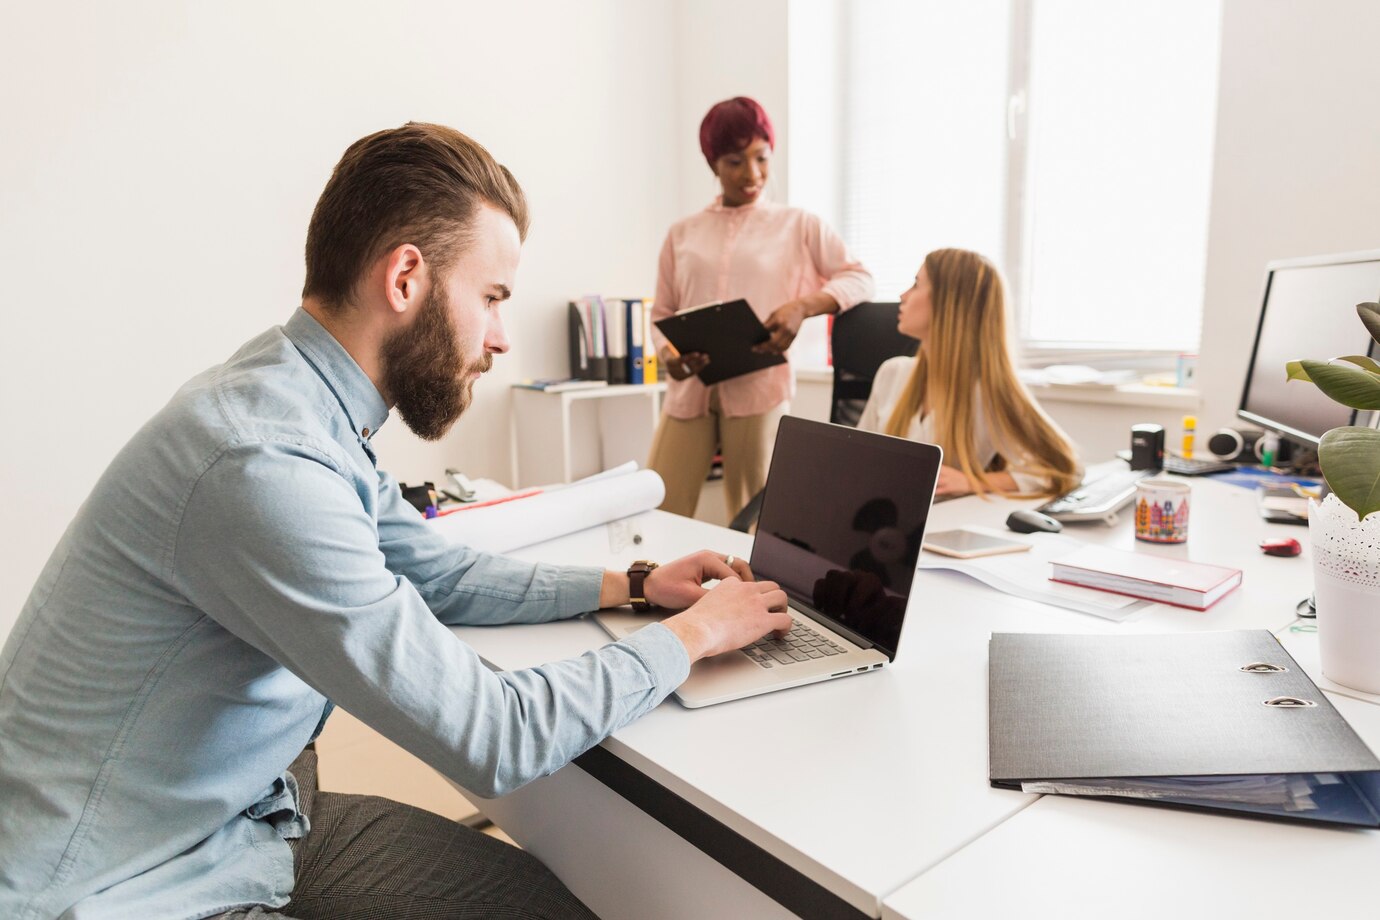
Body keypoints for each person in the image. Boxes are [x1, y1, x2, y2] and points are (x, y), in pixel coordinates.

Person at [0, 122, 794, 920]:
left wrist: (634, 584)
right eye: (490, 298)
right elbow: (495, 735)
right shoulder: (262, 461)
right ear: (407, 277)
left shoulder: (299, 403)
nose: (500, 338)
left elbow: (440, 572)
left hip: (245, 819)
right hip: (126, 884)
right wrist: (696, 636)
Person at [648, 96, 873, 520]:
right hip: (689, 389)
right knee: (657, 508)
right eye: (734, 161)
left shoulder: (800, 225)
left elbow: (859, 278)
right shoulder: (682, 234)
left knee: (755, 521)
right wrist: (668, 355)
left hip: (760, 387)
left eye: (761, 158)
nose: (752, 174)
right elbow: (662, 312)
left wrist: (802, 307)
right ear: (713, 163)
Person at [858, 248, 1081, 499]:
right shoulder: (893, 372)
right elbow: (857, 459)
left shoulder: (989, 393)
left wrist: (972, 481)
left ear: (949, 302)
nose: (903, 295)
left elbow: (1061, 470)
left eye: (916, 285)